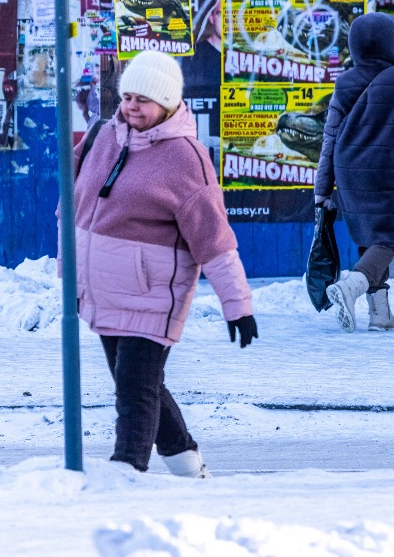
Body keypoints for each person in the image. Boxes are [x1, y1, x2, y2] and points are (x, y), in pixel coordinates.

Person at [71, 50, 257, 476]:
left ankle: (126, 474)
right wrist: (71, 273)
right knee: (137, 384)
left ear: (168, 104)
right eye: (128, 96)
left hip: (154, 295)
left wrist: (238, 305)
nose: (132, 106)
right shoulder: (103, 137)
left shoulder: (185, 158)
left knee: (135, 393)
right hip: (103, 291)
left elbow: (215, 240)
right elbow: (75, 208)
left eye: (144, 99)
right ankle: (189, 467)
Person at [314, 12, 394, 333]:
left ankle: (381, 315)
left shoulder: (343, 83)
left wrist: (322, 188)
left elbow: (329, 138)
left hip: (349, 173)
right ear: (392, 44)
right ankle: (352, 286)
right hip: (391, 174)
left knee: (371, 237)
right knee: (389, 238)